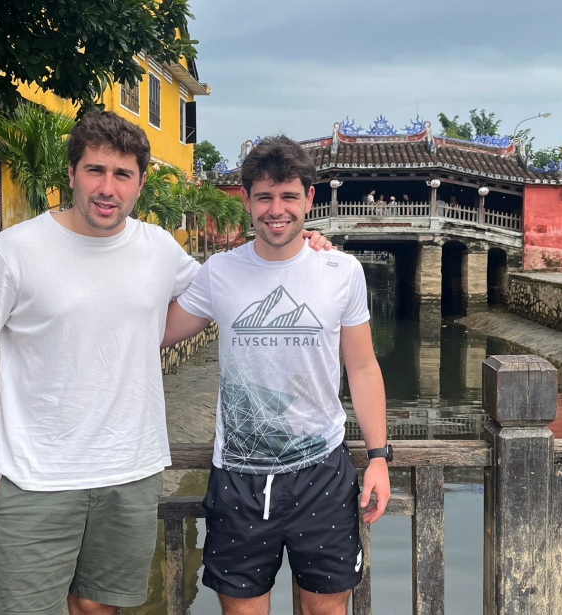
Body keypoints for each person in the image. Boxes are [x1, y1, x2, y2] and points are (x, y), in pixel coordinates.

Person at [0, 112, 331, 615]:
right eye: (95, 171)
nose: (108, 188)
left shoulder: (158, 249)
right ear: (72, 173)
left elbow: (239, 282)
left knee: (99, 607)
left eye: (122, 175)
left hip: (131, 470)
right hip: (37, 474)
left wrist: (307, 247)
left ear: (140, 183)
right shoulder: (15, 250)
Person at [162, 136, 391, 615]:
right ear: (246, 200)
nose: (276, 210)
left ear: (309, 199)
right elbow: (159, 332)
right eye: (264, 196)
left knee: (325, 609)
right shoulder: (218, 272)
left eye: (288, 196)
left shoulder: (341, 270)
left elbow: (363, 366)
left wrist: (378, 457)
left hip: (322, 472)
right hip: (240, 477)